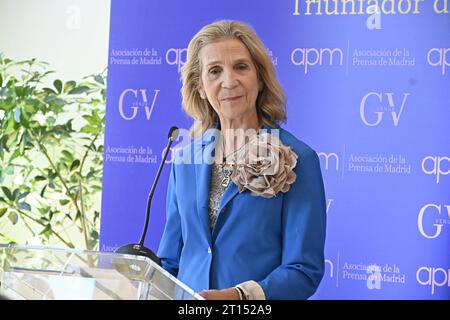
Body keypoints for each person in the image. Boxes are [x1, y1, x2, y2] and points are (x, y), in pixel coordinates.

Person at [157, 20, 326, 300]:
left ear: (259, 78)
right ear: (200, 87)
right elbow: (171, 261)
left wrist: (239, 297)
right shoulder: (185, 161)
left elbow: (304, 269)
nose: (229, 81)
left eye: (241, 67)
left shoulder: (299, 159)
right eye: (214, 71)